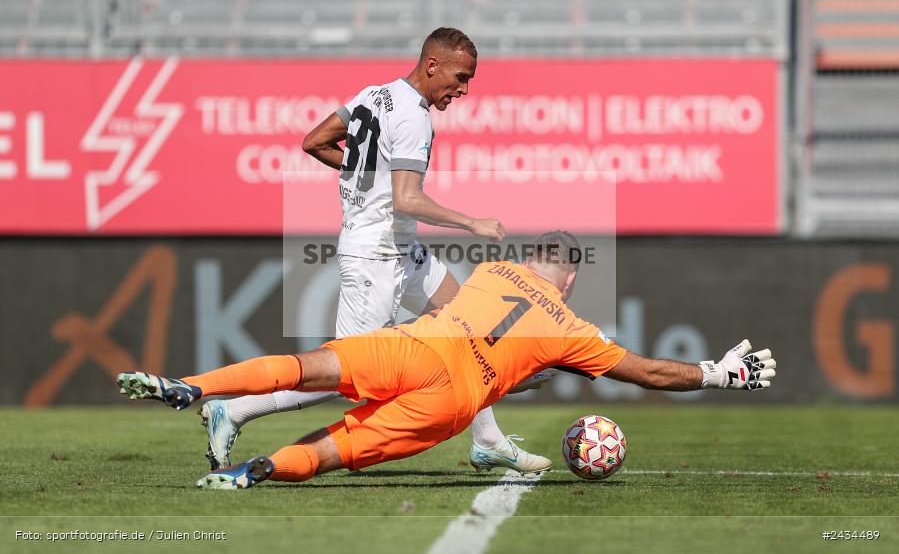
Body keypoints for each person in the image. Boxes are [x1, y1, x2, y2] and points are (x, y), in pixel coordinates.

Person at [117, 231, 777, 490]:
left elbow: (468, 317)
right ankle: (250, 473)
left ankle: (192, 386)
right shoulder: (570, 327)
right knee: (332, 449)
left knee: (306, 368)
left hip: (418, 345)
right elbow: (650, 372)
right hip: (454, 401)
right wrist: (722, 373)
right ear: (568, 281)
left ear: (527, 263)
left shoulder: (493, 269)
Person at [198, 27, 552, 475]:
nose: (463, 90)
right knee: (347, 374)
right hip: (374, 255)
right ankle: (232, 411)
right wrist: (471, 222)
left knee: (465, 324)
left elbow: (314, 141)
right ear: (431, 65)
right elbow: (406, 199)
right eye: (460, 78)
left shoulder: (373, 95)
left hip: (403, 250)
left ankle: (487, 440)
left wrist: (366, 174)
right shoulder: (414, 117)